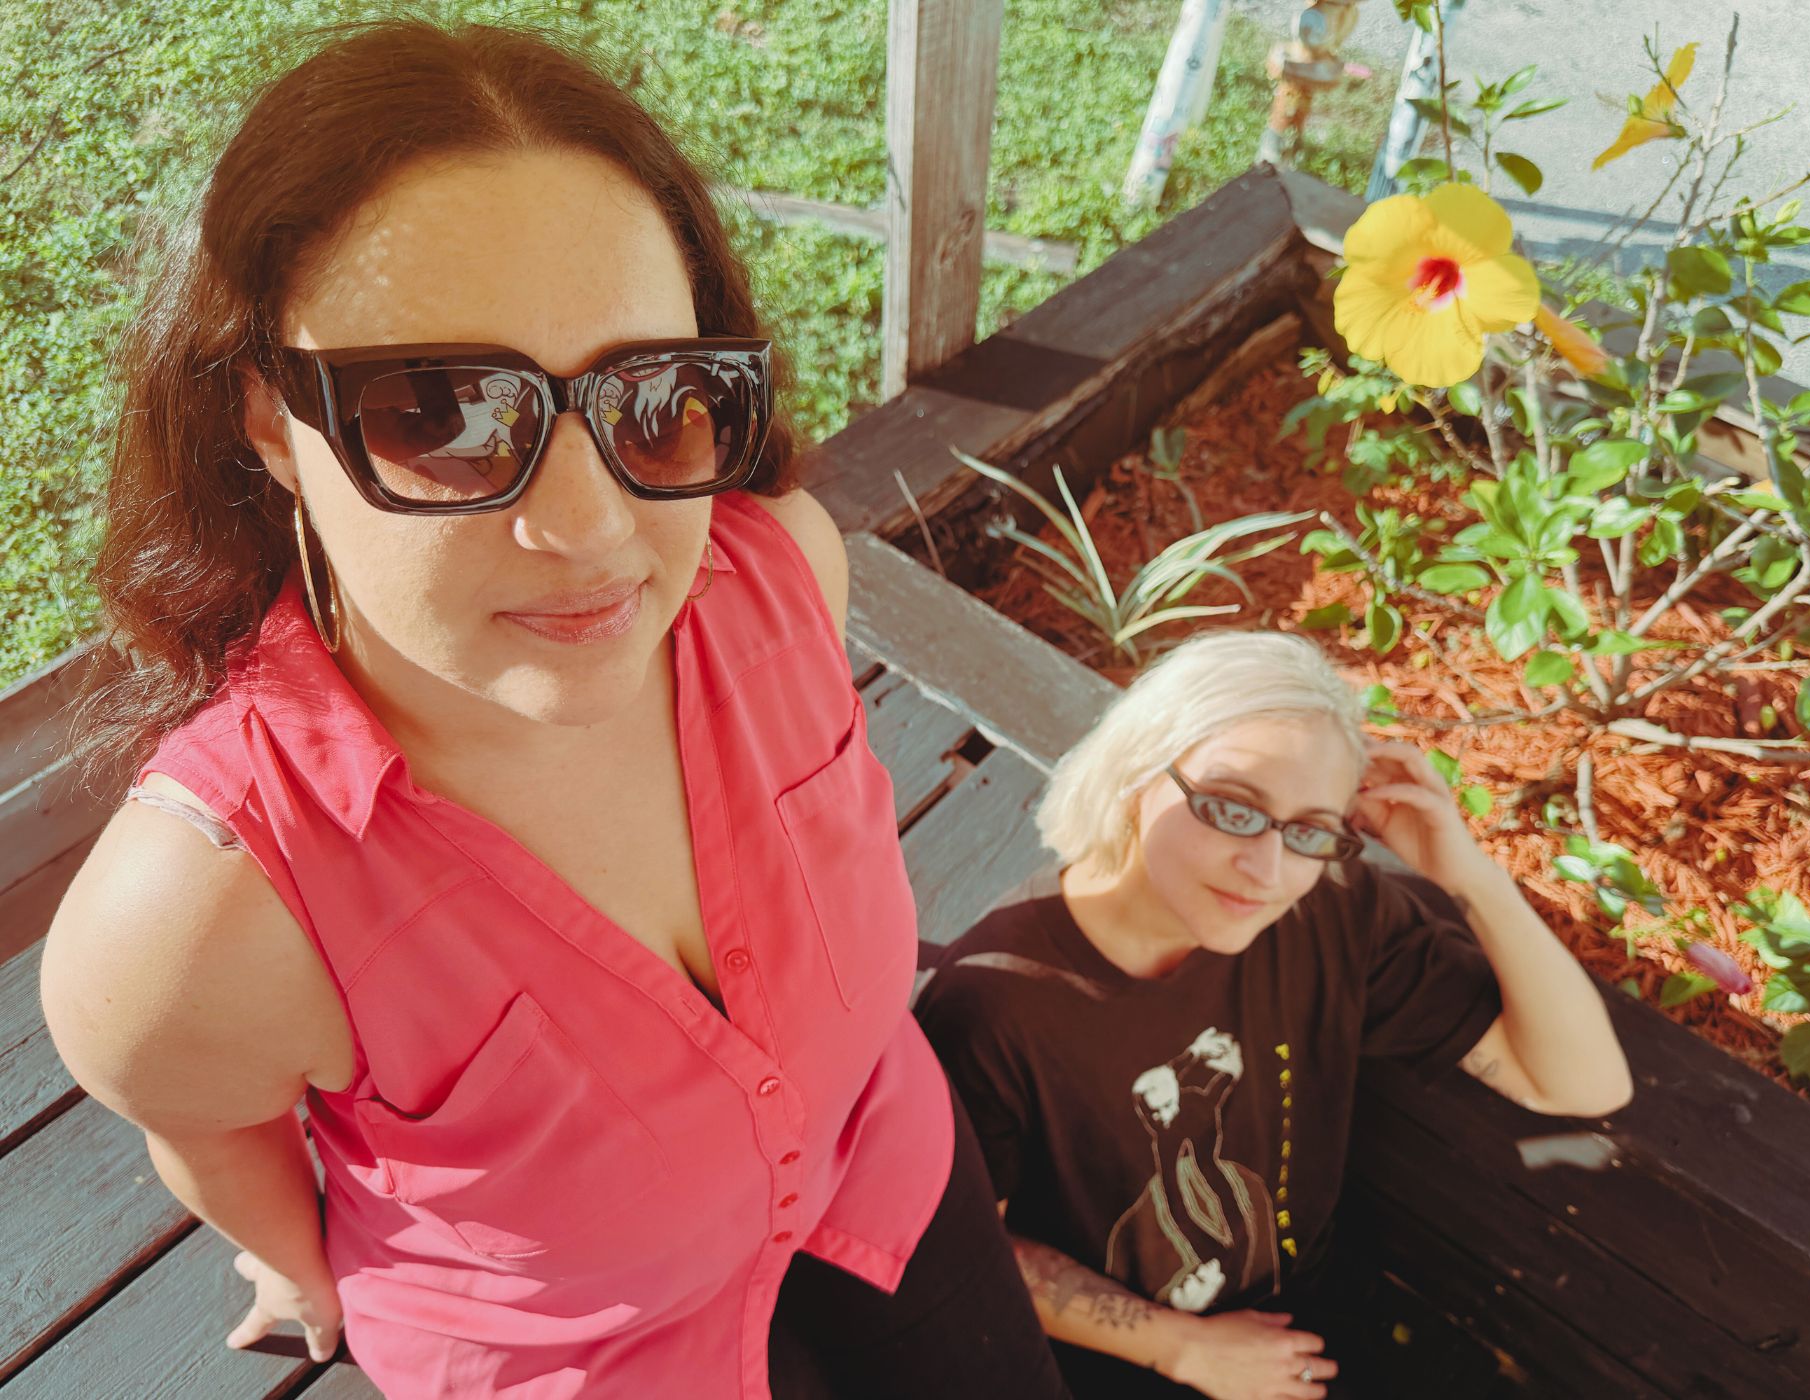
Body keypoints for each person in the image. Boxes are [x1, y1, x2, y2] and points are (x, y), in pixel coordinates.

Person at [38, 20, 1065, 1399]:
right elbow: (213, 1131)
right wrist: (297, 1260)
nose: (592, 529)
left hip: (888, 1180)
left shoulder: (781, 574)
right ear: (270, 422)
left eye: (657, 401)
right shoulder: (194, 922)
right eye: (444, 411)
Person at [914, 630, 1634, 1399]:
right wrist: (1180, 1347)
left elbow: (1579, 1086)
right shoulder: (995, 1001)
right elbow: (965, 1248)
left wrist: (1472, 878)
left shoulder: (1329, 913)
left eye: (1309, 829)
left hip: (1308, 1335)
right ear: (1136, 770)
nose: (1269, 871)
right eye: (1231, 808)